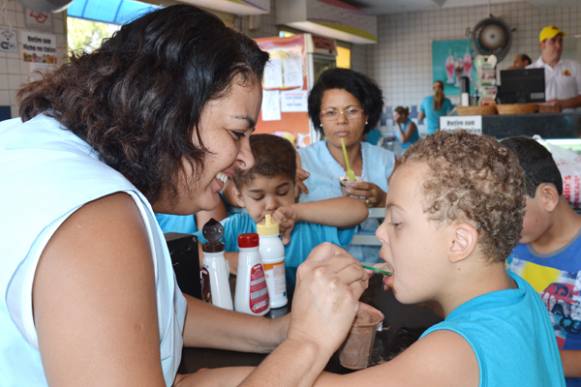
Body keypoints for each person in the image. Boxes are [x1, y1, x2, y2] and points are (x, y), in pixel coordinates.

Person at [0, 5, 370, 387]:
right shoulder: (95, 215)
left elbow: (148, 313)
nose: (245, 159)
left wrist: (278, 332)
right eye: (236, 133)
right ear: (169, 113)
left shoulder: (30, 147)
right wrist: (307, 343)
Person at [193, 130, 566, 386]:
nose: (382, 233)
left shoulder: (451, 353)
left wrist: (305, 338)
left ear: (459, 242)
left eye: (397, 222)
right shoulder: (521, 293)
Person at [195, 133, 368, 294]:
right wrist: (225, 259)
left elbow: (359, 210)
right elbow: (189, 250)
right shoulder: (235, 228)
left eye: (282, 192)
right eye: (258, 196)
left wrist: (296, 211)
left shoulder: (310, 227)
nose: (271, 205)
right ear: (240, 197)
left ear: (296, 188)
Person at [501, 136, 581, 387]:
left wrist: (529, 357)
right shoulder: (509, 245)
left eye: (510, 211)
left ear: (547, 196)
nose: (502, 223)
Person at [299, 67, 396, 263]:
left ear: (366, 116)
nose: (341, 121)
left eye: (352, 111)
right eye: (331, 112)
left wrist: (382, 200)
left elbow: (412, 218)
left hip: (380, 268)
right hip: (321, 270)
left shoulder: (387, 162)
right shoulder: (301, 163)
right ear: (320, 119)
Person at [527, 25, 581, 112]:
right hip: (540, 123)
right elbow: (522, 102)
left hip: (570, 123)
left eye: (560, 41)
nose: (558, 46)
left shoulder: (575, 67)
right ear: (542, 45)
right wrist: (541, 108)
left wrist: (563, 104)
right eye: (553, 41)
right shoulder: (529, 71)